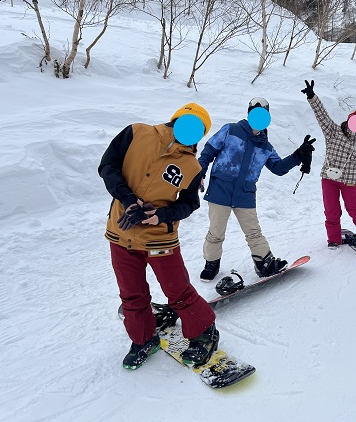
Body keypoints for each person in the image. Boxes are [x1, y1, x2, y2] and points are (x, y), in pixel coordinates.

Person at [98, 103, 219, 370]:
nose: (190, 131)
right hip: (121, 233)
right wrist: (128, 199)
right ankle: (143, 339)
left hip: (160, 239)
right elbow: (108, 166)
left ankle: (204, 331)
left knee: (177, 291)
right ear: (176, 118)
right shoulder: (136, 133)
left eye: (198, 129)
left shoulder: (191, 166)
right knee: (131, 294)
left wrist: (161, 216)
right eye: (188, 122)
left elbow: (189, 204)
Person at [198, 97, 314, 281]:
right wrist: (200, 172)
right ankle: (211, 263)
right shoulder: (231, 130)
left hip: (245, 194)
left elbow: (279, 168)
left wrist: (298, 155)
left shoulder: (266, 146)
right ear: (249, 113)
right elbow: (209, 150)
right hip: (221, 190)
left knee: (253, 232)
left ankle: (263, 263)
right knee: (216, 231)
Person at [301, 80, 356, 251]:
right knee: (331, 211)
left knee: (354, 210)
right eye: (354, 120)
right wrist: (312, 97)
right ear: (349, 120)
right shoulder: (333, 131)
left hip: (349, 182)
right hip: (328, 179)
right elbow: (322, 116)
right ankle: (333, 239)